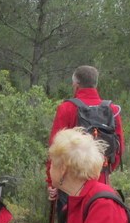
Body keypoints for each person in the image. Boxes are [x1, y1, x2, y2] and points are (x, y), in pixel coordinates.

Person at [47, 65, 123, 199]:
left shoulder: (67, 108)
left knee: (71, 219)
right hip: (101, 180)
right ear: (95, 83)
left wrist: (52, 182)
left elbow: (55, 149)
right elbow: (119, 148)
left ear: (76, 84)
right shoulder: (111, 109)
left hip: (71, 182)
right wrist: (104, 171)